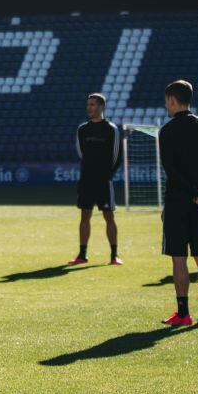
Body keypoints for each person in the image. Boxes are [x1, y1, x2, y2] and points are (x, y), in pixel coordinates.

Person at [158, 80, 198, 327]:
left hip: (177, 201)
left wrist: (195, 193)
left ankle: (183, 313)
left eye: (167, 101)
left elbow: (171, 171)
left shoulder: (168, 130)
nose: (166, 105)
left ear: (173, 100)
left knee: (178, 258)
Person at [70, 94, 124, 265]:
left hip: (104, 182)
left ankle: (114, 255)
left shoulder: (111, 129)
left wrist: (107, 176)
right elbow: (81, 154)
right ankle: (82, 254)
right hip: (86, 181)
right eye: (88, 104)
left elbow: (117, 156)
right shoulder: (82, 129)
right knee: (84, 216)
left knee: (109, 217)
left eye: (92, 104)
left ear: (101, 107)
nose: (89, 107)